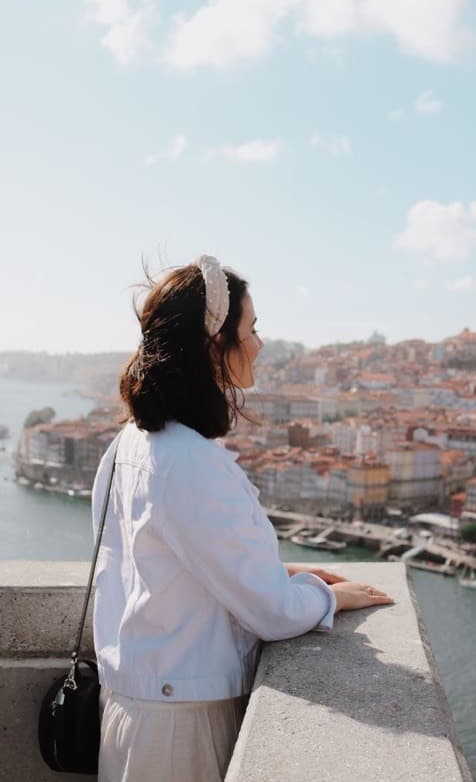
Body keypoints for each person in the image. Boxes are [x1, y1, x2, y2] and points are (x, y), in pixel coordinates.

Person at [92, 255, 393, 782]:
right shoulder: (190, 462)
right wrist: (329, 596)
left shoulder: (129, 443)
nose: (259, 343)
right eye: (250, 329)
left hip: (135, 706)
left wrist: (283, 573)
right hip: (181, 724)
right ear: (214, 346)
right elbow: (272, 613)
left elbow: (178, 567)